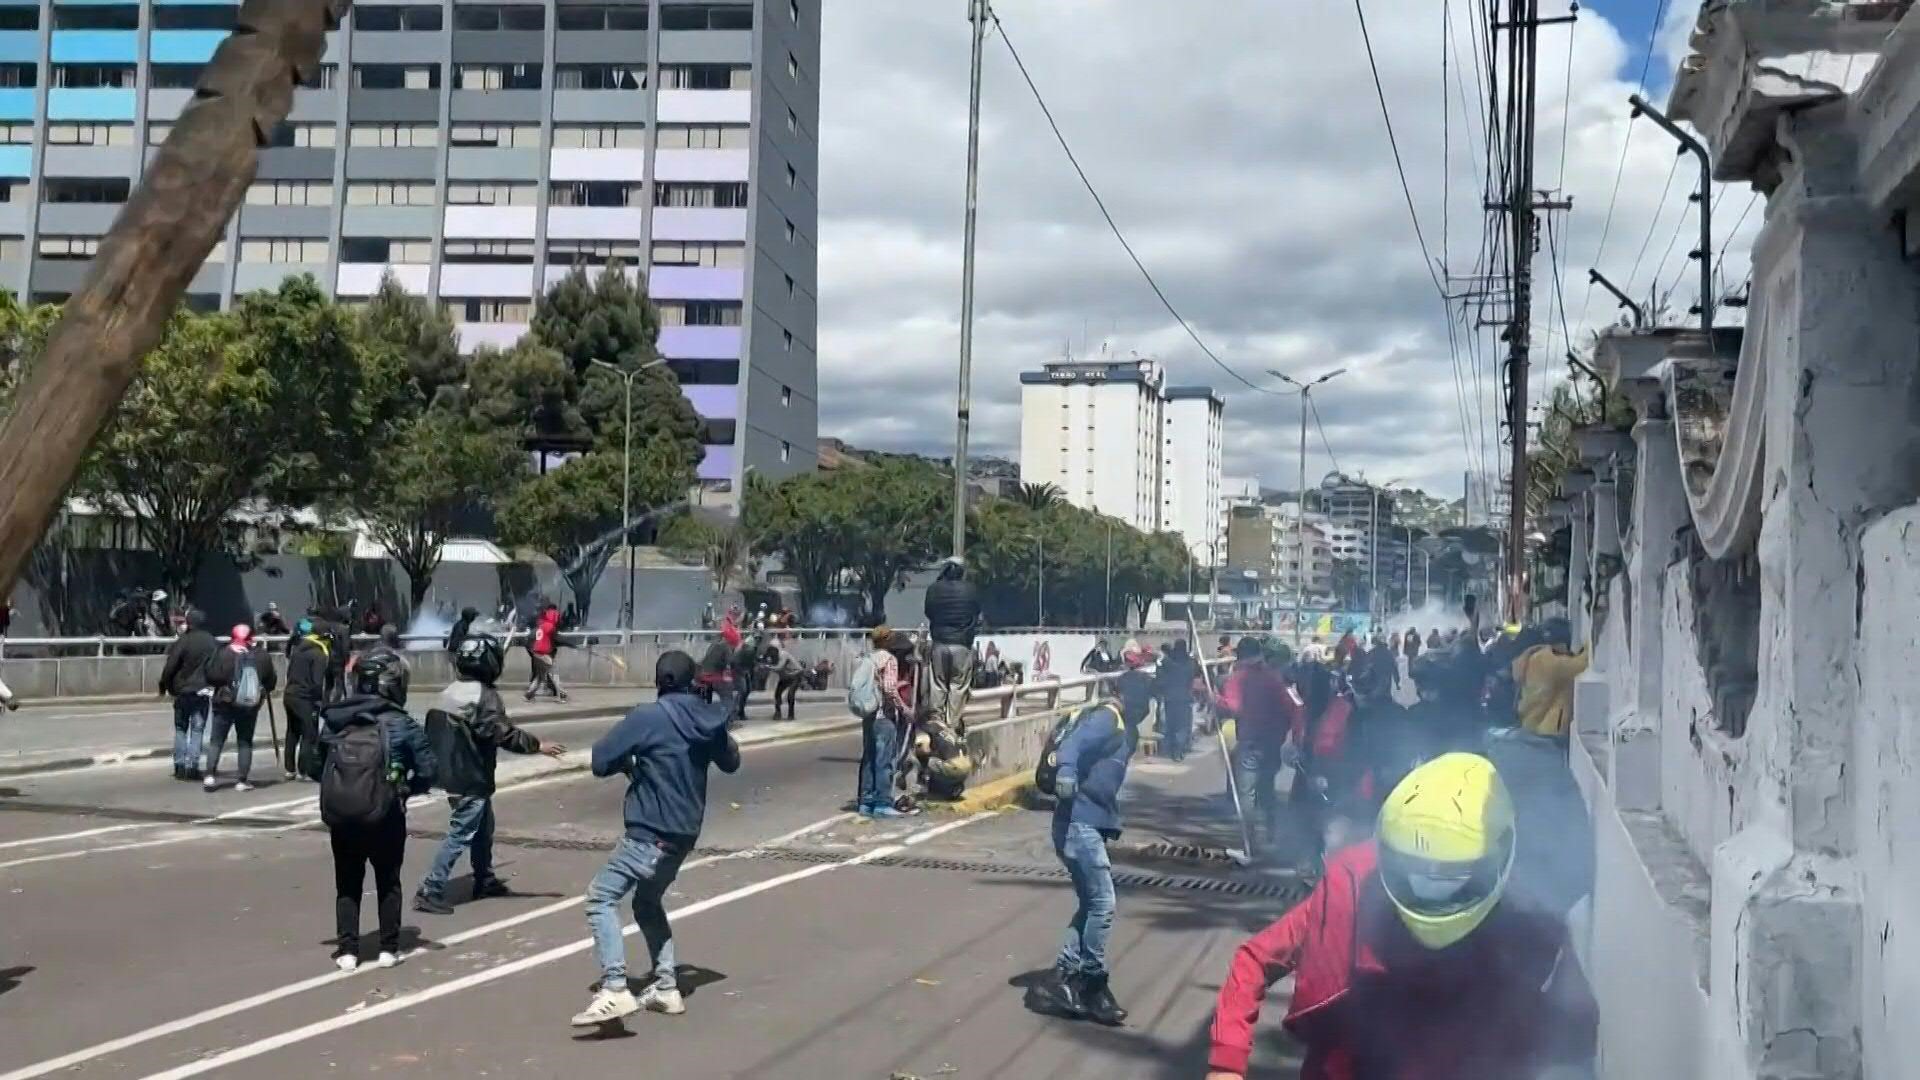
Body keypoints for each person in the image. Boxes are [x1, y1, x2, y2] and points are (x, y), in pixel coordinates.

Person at [1205, 753, 1597, 1080]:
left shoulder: (1528, 924)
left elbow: (1573, 1033)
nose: (1427, 891)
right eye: (1411, 871)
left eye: (1452, 879)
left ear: (1500, 859)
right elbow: (1255, 958)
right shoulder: (1351, 890)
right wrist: (1226, 1063)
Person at [572, 651, 740, 1026]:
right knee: (647, 903)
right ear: (693, 681)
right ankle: (666, 987)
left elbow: (600, 761)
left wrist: (630, 761)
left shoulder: (647, 716)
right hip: (684, 834)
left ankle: (615, 989)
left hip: (650, 831)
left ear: (660, 681)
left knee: (601, 898)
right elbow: (731, 762)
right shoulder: (706, 719)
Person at [415, 634, 565, 914]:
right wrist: (538, 745)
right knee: (462, 833)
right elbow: (501, 732)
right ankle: (431, 888)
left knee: (483, 828)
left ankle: (484, 878)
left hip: (450, 776)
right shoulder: (484, 696)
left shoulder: (449, 692)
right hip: (470, 777)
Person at [306, 650, 435, 972]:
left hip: (343, 814)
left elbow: (311, 764)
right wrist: (404, 788)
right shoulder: (401, 722)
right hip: (387, 814)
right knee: (388, 880)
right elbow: (429, 769)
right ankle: (388, 949)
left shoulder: (336, 718)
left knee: (347, 883)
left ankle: (348, 951)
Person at [1027, 686, 1147, 1027]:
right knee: (1103, 904)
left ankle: (1064, 977)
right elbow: (1072, 746)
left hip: (1085, 821)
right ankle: (1091, 980)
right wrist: (1065, 772)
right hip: (1080, 823)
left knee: (1092, 903)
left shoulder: (1123, 726)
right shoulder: (1109, 717)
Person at [1211, 637, 1300, 858]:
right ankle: (1271, 834)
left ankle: (1249, 843)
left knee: (1247, 795)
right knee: (1267, 789)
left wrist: (1214, 699)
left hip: (1250, 742)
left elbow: (1234, 707)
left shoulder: (1238, 679)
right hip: (1271, 743)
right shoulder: (1273, 677)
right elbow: (1292, 708)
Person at [202, 624, 278, 792]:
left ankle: (210, 775)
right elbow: (271, 681)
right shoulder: (261, 656)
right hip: (249, 705)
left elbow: (211, 676)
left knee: (217, 740)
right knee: (244, 741)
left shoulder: (222, 653)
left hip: (224, 702)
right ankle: (242, 780)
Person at [158, 609, 219, 782]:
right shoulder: (211, 642)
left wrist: (165, 686)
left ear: (188, 623)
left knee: (180, 728)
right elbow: (218, 665)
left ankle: (179, 766)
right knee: (198, 729)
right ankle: (193, 766)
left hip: (183, 691)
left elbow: (170, 667)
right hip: (202, 691)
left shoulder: (182, 642)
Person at [855, 626, 907, 818]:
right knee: (884, 760)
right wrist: (904, 709)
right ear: (887, 640)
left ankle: (865, 802)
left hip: (868, 714)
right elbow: (889, 688)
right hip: (884, 716)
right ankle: (882, 803)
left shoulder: (867, 659)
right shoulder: (889, 659)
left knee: (868, 758)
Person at [924, 556, 982, 726]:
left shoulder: (934, 589)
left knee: (938, 683)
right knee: (958, 685)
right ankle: (952, 723)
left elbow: (929, 612)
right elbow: (976, 613)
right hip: (961, 644)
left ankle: (936, 718)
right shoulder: (971, 590)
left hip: (939, 643)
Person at [1512, 620, 1589, 738]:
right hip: (1547, 729)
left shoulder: (1534, 659)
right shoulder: (1550, 662)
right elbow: (1582, 664)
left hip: (1532, 723)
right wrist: (1594, 633)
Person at [284, 618, 329, 781]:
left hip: (290, 694)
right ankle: (305, 770)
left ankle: (289, 769)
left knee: (292, 732)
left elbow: (289, 673)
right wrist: (319, 700)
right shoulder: (318, 654)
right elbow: (317, 682)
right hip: (305, 698)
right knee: (309, 733)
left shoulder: (297, 649)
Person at [1155, 639, 1199, 762]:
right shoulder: (1190, 662)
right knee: (1183, 726)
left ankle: (1169, 749)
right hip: (1185, 697)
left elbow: (1160, 675)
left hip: (1170, 698)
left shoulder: (1168, 662)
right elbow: (1195, 674)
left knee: (1171, 724)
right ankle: (1179, 751)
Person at [524, 602, 566, 702]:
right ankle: (561, 695)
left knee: (540, 676)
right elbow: (557, 639)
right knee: (554, 673)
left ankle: (529, 694)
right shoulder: (550, 626)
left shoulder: (541, 625)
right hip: (543, 654)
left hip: (536, 653)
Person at [760, 639, 805, 720]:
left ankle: (791, 714)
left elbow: (779, 667)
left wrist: (767, 667)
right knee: (777, 694)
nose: (771, 652)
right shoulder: (772, 656)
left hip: (795, 675)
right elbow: (765, 660)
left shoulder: (783, 654)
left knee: (790, 695)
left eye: (773, 649)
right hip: (785, 677)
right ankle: (778, 713)